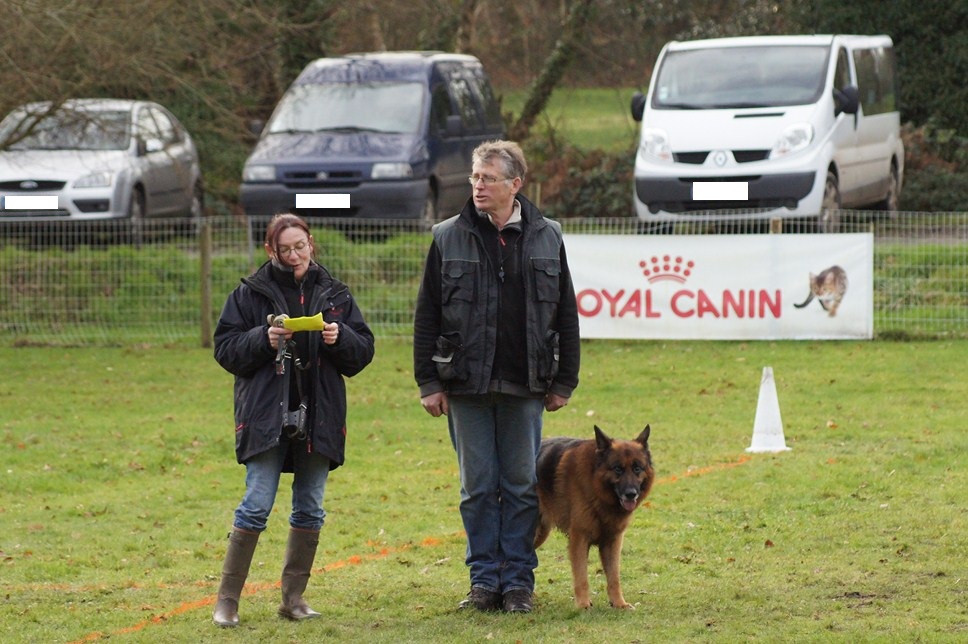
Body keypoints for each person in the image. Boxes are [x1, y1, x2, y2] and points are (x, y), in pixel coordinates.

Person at [413, 140, 580, 613]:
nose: (478, 186)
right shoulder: (447, 235)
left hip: (527, 384)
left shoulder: (549, 235)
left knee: (522, 486)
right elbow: (427, 315)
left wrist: (564, 380)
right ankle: (484, 582)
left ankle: (519, 585)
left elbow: (565, 312)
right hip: (465, 385)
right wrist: (429, 382)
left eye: (487, 178)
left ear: (515, 184)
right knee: (478, 488)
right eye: (474, 177)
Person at [211, 213, 375, 627]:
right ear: (271, 251)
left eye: (300, 246)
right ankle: (227, 602)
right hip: (266, 415)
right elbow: (225, 349)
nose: (294, 255)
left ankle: (293, 599)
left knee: (310, 508)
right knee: (256, 504)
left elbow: (363, 352)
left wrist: (341, 338)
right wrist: (261, 340)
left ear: (311, 243)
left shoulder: (335, 293)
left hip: (319, 416)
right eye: (285, 250)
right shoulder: (248, 294)